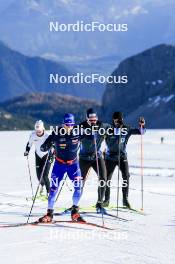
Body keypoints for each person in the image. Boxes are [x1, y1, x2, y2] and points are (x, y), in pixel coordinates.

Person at [38, 113, 84, 223]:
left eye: (71, 124)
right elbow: (44, 145)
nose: (69, 127)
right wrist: (45, 146)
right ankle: (49, 214)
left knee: (79, 187)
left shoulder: (78, 132)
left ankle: (75, 212)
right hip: (59, 165)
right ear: (63, 124)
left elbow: (92, 135)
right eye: (67, 125)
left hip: (73, 165)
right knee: (53, 189)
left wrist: (94, 136)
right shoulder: (57, 132)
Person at [103, 112, 146, 208]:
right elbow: (98, 135)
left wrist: (142, 125)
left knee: (126, 176)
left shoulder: (126, 129)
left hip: (122, 157)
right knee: (106, 179)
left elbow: (141, 132)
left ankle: (125, 199)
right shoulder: (108, 129)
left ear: (122, 119)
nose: (117, 122)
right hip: (110, 157)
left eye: (119, 120)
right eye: (115, 120)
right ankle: (106, 200)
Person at [79, 108, 107, 213]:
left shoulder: (102, 126)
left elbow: (113, 131)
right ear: (87, 119)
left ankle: (99, 203)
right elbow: (71, 135)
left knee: (103, 178)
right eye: (91, 119)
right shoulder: (81, 127)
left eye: (94, 118)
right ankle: (75, 205)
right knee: (79, 182)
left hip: (97, 157)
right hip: (84, 158)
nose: (93, 121)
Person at [24, 120, 51, 196]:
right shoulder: (33, 135)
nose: (38, 132)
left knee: (45, 175)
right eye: (37, 131)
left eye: (39, 131)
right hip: (38, 156)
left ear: (43, 129)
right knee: (39, 175)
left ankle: (49, 193)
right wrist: (27, 151)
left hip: (47, 156)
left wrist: (52, 156)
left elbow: (52, 147)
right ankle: (42, 185)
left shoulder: (47, 135)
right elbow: (29, 144)